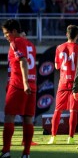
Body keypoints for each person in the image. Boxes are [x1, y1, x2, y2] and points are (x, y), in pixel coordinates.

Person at [1, 19, 37, 158]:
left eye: (6, 33)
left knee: (9, 116)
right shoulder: (31, 45)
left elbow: (22, 61)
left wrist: (25, 82)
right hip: (32, 86)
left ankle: (6, 151)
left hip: (19, 85)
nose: (5, 36)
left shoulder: (14, 42)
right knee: (27, 119)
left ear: (14, 32)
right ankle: (26, 154)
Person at [47, 25, 78, 145]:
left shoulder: (59, 47)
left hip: (63, 82)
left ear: (66, 34)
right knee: (73, 111)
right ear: (77, 35)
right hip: (75, 83)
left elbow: (57, 66)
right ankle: (71, 137)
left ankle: (53, 137)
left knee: (58, 110)